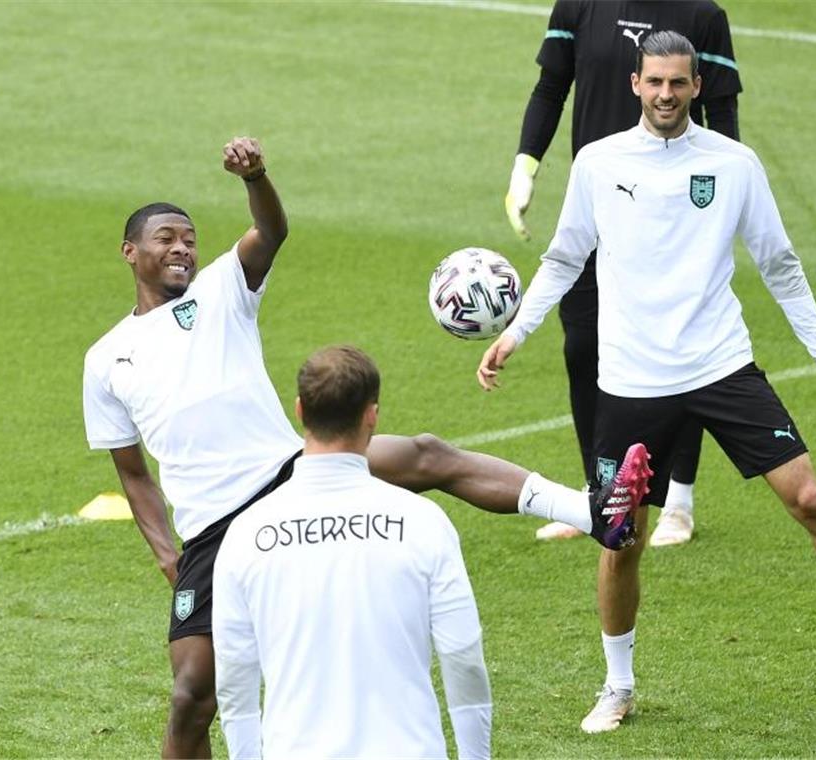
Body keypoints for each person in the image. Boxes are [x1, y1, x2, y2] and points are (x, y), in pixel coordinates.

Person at [81, 137, 650, 757]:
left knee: (428, 455)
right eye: (167, 237)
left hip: (290, 474)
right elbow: (133, 475)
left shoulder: (220, 290)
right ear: (130, 251)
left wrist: (257, 176)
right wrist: (169, 558)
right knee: (194, 694)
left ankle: (593, 513)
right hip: (210, 528)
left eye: (189, 237)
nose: (182, 247)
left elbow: (271, 230)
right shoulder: (106, 359)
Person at [478, 32, 816, 733]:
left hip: (721, 366)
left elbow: (780, 262)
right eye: (655, 83)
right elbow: (562, 257)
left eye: (679, 83)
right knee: (621, 538)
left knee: (812, 498)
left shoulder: (734, 165)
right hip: (633, 381)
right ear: (635, 83)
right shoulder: (598, 162)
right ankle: (618, 686)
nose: (666, 95)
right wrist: (516, 332)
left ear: (697, 87)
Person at [505, 0, 743, 546]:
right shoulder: (580, 5)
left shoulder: (703, 16)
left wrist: (724, 200)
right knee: (581, 345)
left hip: (675, 222)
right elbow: (550, 88)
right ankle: (600, 495)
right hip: (600, 210)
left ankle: (677, 501)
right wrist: (526, 165)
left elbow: (722, 117)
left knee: (682, 352)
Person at [213, 345, 492, 759]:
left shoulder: (246, 533)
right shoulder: (422, 521)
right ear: (372, 415)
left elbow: (235, 682)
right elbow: (462, 657)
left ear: (300, 411)